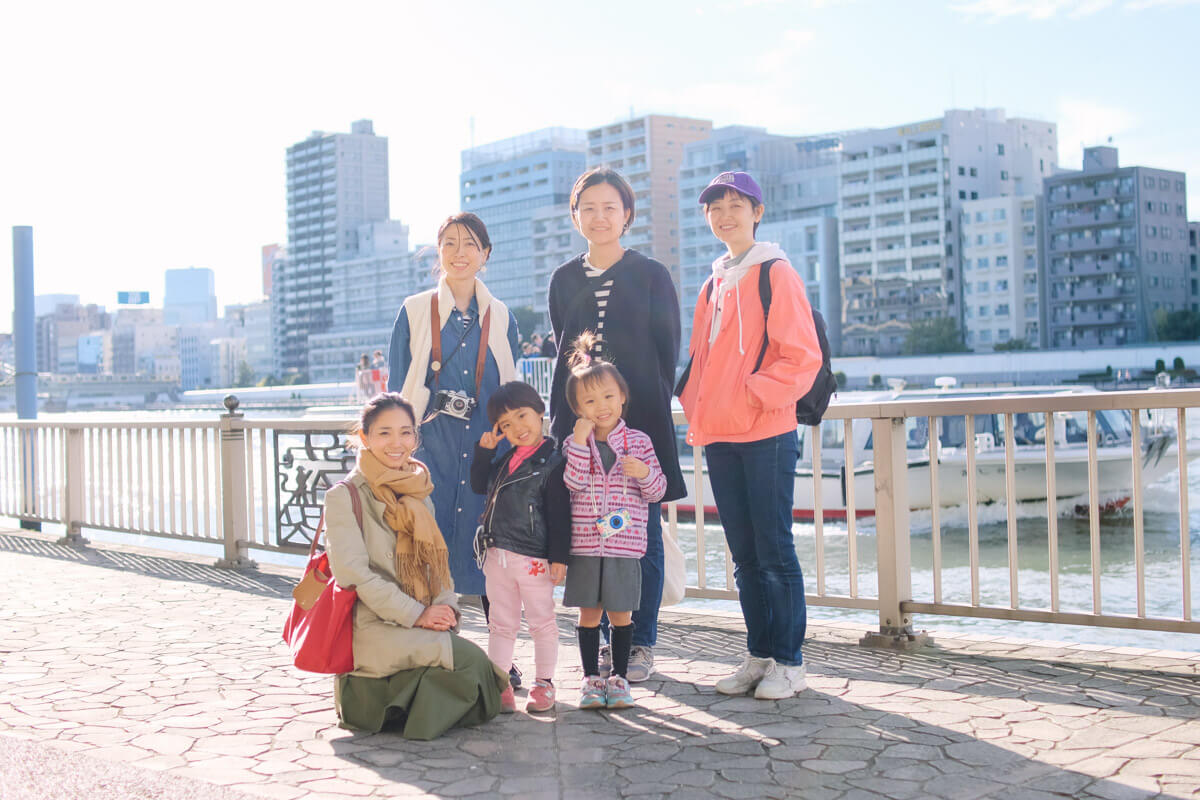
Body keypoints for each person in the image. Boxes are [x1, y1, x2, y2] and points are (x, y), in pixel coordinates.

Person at [676, 171, 823, 700]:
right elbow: (701, 358)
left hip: (767, 430)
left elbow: (801, 356)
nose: (725, 216)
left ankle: (790, 662)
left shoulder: (775, 272)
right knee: (743, 555)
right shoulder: (714, 281)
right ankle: (759, 655)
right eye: (715, 208)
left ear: (757, 212)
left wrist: (753, 395)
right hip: (720, 433)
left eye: (735, 205)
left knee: (775, 550)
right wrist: (699, 404)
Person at [546, 167, 685, 683]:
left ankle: (640, 642)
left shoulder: (651, 274)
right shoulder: (563, 279)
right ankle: (603, 641)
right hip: (580, 428)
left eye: (610, 207)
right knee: (590, 534)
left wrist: (636, 413)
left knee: (641, 535)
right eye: (589, 208)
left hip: (638, 424)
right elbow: (564, 348)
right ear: (575, 215)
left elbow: (667, 353)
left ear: (627, 214)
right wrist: (576, 422)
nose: (599, 217)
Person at [324, 393, 507, 739]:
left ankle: (402, 707)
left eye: (406, 432)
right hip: (373, 626)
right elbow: (354, 576)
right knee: (475, 667)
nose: (397, 443)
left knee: (479, 673)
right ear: (364, 437)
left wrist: (445, 608)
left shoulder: (417, 488)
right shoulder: (344, 496)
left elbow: (436, 565)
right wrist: (418, 615)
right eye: (384, 433)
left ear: (415, 437)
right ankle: (387, 708)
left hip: (417, 617)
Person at [386, 213, 521, 644]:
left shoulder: (501, 317)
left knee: (493, 556)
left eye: (469, 245)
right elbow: (396, 391)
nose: (459, 253)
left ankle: (502, 660)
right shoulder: (414, 311)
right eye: (449, 244)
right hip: (430, 451)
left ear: (485, 254)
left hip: (487, 452)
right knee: (429, 550)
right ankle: (438, 652)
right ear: (437, 252)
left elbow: (511, 389)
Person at [561, 333, 666, 710]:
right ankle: (591, 679)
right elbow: (572, 484)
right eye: (590, 401)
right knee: (589, 615)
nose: (601, 406)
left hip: (625, 546)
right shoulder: (574, 443)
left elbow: (657, 491)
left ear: (622, 396)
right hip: (586, 545)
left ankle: (619, 679)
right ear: (578, 408)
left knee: (622, 614)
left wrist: (644, 473)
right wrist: (577, 443)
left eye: (608, 396)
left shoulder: (639, 442)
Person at [470, 381, 570, 713]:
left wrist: (559, 557)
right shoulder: (504, 460)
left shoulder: (553, 462)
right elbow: (478, 485)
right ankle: (499, 684)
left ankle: (544, 684)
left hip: (533, 557)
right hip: (496, 555)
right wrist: (485, 452)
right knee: (500, 623)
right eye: (506, 424)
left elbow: (559, 514)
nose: (517, 428)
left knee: (542, 621)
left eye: (522, 416)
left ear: (540, 412)